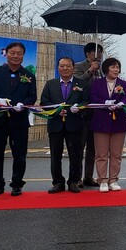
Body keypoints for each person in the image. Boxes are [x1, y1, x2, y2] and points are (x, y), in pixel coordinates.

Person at [0, 41, 38, 197]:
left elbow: (32, 97)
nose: (16, 56)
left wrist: (23, 104)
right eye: (12, 53)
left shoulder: (29, 75)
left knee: (19, 154)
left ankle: (17, 184)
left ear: (23, 56)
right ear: (6, 54)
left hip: (19, 120)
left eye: (19, 53)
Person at [39, 57, 88, 193]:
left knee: (75, 154)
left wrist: (79, 107)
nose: (65, 68)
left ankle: (73, 181)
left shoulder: (81, 84)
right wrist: (56, 111)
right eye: (62, 66)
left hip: (74, 124)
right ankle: (57, 182)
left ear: (73, 67)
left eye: (68, 66)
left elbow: (86, 101)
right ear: (58, 68)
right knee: (55, 155)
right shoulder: (51, 84)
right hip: (56, 124)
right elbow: (44, 102)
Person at [88, 57, 126, 192]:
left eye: (117, 67)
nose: (116, 70)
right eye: (113, 67)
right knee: (101, 153)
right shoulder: (97, 83)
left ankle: (113, 180)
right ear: (106, 69)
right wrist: (105, 103)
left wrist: (121, 103)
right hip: (101, 121)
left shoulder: (124, 84)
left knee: (116, 153)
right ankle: (102, 180)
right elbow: (93, 97)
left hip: (119, 121)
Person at [74, 42, 103, 188]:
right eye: (96, 52)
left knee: (93, 147)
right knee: (80, 146)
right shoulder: (79, 66)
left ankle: (88, 176)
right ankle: (77, 177)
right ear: (88, 54)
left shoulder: (102, 69)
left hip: (97, 113)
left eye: (101, 52)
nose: (99, 55)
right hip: (82, 113)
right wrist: (90, 70)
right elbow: (77, 84)